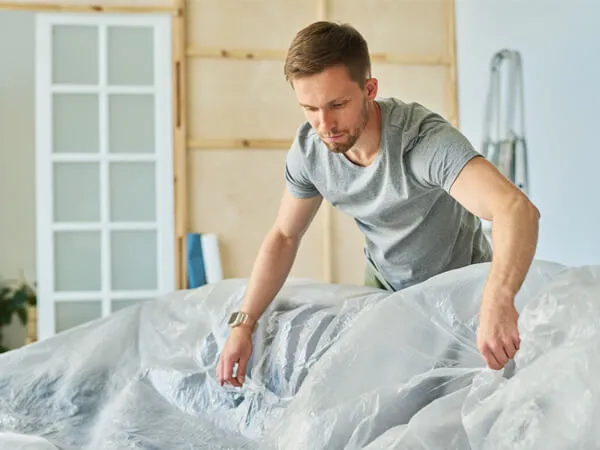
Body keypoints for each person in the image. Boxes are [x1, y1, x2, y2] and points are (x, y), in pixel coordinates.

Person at [216, 21, 540, 387]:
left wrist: (499, 299)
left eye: (337, 104)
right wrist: (244, 323)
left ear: (369, 89)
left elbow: (515, 209)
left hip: (461, 291)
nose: (325, 124)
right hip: (385, 287)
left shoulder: (423, 142)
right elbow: (285, 236)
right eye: (310, 108)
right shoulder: (310, 150)